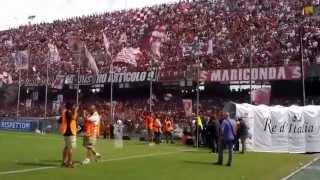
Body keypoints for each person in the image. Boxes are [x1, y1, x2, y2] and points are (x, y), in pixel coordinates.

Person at [59, 102, 78, 168]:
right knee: (70, 148)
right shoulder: (68, 112)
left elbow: (59, 120)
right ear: (71, 107)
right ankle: (70, 162)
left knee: (66, 147)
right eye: (73, 106)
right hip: (70, 132)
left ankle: (64, 161)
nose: (74, 107)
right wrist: (75, 111)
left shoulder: (64, 112)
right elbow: (74, 118)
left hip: (65, 132)